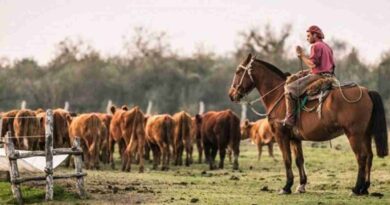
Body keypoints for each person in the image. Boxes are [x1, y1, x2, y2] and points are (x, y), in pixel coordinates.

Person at [279, 25, 335, 127]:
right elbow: (323, 66)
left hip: (319, 77)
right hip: (329, 76)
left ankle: (290, 119)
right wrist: (307, 72)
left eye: (309, 35)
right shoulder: (327, 47)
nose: (307, 38)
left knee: (289, 88)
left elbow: (312, 64)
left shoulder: (316, 46)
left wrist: (301, 55)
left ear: (315, 35)